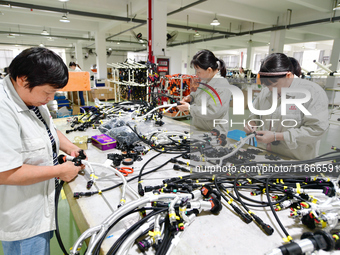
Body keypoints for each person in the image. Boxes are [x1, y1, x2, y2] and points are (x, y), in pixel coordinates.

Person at [0, 47, 85, 255]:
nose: (50, 98)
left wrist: (69, 146)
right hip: (23, 219)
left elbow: (46, 127)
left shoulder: (30, 97)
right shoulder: (3, 110)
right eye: (47, 92)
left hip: (41, 207)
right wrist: (59, 171)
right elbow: (5, 172)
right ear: (22, 79)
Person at [244, 53, 329, 160]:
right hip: (266, 155)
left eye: (274, 85)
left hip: (295, 160)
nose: (270, 90)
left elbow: (316, 129)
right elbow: (255, 114)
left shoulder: (313, 93)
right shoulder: (266, 91)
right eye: (267, 85)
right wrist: (252, 122)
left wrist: (277, 136)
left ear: (288, 76)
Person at [177, 49, 232, 134]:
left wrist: (189, 108)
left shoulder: (222, 85)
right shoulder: (205, 81)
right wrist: (190, 97)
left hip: (214, 134)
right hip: (200, 129)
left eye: (198, 71)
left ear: (209, 70)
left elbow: (213, 112)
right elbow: (199, 94)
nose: (196, 74)